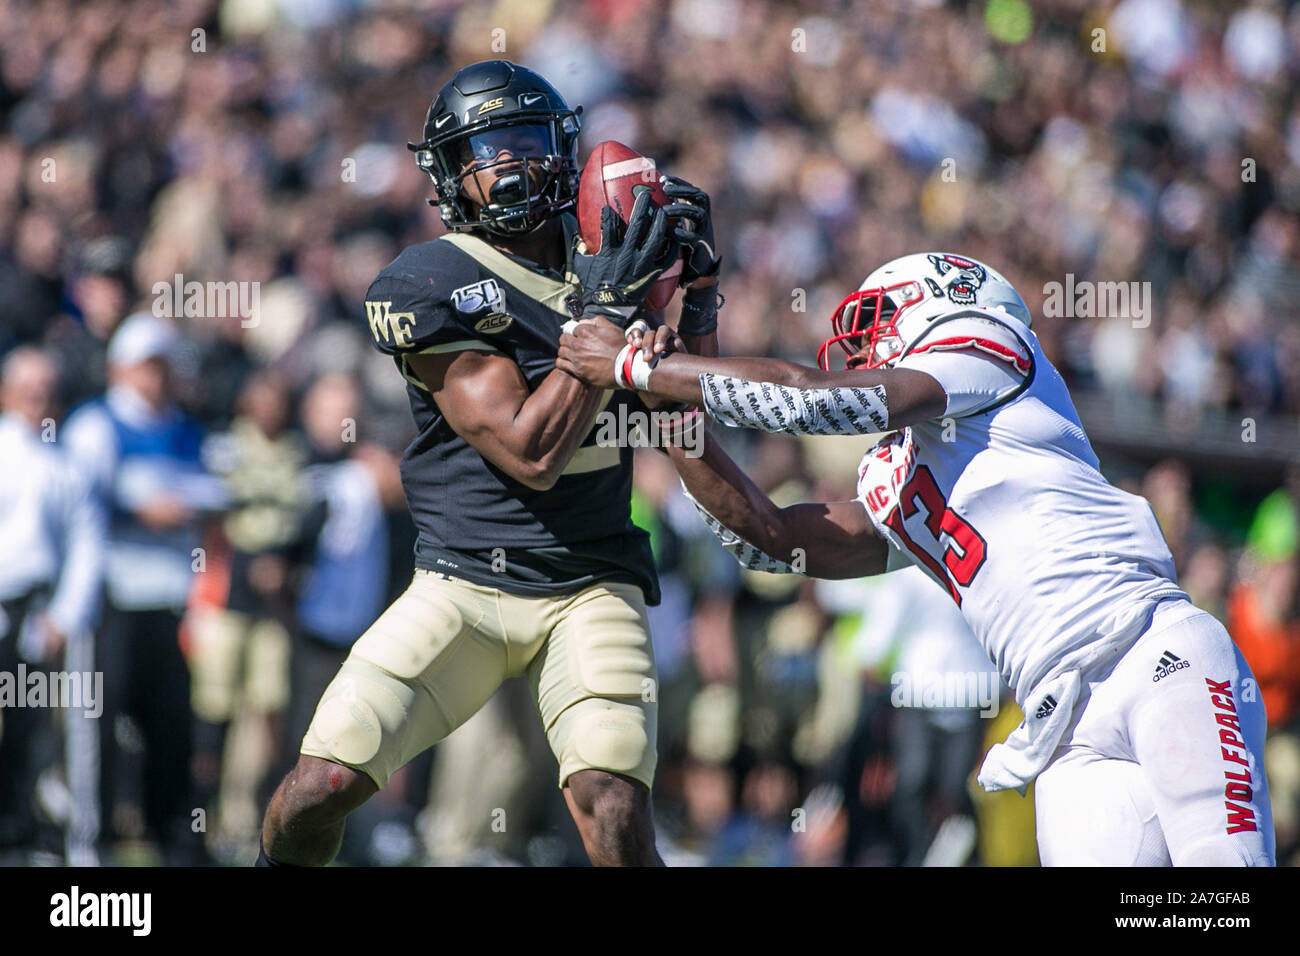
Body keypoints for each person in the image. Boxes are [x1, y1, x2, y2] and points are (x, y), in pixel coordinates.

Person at [557, 251, 1276, 866]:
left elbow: (814, 402)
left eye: (875, 324)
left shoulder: (994, 350)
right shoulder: (894, 471)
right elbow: (771, 538)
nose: (865, 348)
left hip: (1154, 659)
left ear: (951, 299)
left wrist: (640, 366)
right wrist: (671, 412)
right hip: (1063, 722)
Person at [258, 59, 720, 867]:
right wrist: (605, 315)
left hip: (589, 580)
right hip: (463, 582)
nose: (507, 162)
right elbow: (531, 452)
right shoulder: (430, 280)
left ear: (562, 149)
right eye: (483, 147)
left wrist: (694, 305)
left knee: (611, 806)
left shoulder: (610, 264)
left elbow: (687, 427)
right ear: (448, 174)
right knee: (322, 784)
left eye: (524, 140)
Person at [63, 312, 228, 864]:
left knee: (172, 729)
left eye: (163, 366)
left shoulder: (184, 427)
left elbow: (208, 491)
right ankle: (94, 843)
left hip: (167, 600)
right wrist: (141, 509)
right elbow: (78, 509)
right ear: (121, 369)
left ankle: (176, 842)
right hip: (112, 599)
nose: (157, 378)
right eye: (146, 366)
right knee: (101, 729)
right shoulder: (95, 426)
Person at [0, 347, 104, 863]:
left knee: (37, 728)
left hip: (37, 611)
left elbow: (87, 547)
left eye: (47, 389)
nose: (38, 399)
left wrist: (65, 615)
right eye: (28, 388)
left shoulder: (68, 464)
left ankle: (35, 835)